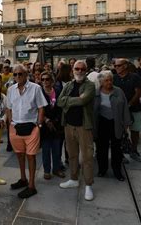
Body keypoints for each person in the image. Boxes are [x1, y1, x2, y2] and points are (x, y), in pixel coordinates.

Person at [6, 65, 47, 199]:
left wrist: (39, 125)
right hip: (15, 127)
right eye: (15, 74)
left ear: (26, 74)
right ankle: (23, 179)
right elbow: (8, 108)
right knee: (19, 155)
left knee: (31, 156)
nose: (18, 77)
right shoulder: (11, 90)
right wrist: (11, 123)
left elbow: (41, 108)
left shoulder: (36, 88)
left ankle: (31, 185)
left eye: (20, 74)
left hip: (31, 127)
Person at [57, 60, 96, 201]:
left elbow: (83, 101)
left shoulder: (90, 85)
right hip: (68, 125)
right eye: (77, 69)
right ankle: (73, 179)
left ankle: (88, 185)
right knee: (72, 154)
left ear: (86, 70)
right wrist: (75, 99)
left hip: (84, 126)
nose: (79, 71)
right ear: (72, 70)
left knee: (86, 157)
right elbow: (59, 101)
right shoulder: (68, 85)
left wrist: (69, 100)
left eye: (82, 69)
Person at [93, 71, 131, 181]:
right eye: (106, 80)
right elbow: (91, 111)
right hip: (101, 123)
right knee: (101, 149)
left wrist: (126, 124)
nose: (109, 82)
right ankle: (102, 169)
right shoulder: (96, 93)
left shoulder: (119, 91)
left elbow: (125, 108)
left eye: (110, 80)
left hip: (116, 122)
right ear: (101, 82)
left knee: (117, 149)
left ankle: (117, 171)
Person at [113, 58, 141, 162]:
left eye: (118, 65)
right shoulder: (114, 78)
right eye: (115, 66)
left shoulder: (134, 77)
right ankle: (121, 153)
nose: (116, 67)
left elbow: (138, 92)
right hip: (119, 110)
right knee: (120, 131)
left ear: (125, 66)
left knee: (135, 130)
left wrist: (129, 104)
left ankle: (134, 151)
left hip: (134, 108)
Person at [39, 71, 65, 180]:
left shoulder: (58, 91)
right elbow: (37, 108)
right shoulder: (39, 92)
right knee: (45, 149)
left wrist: (56, 120)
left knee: (57, 148)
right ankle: (46, 170)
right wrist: (45, 119)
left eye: (47, 79)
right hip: (45, 125)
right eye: (43, 79)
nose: (45, 81)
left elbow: (61, 107)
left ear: (52, 80)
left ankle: (57, 169)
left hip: (57, 124)